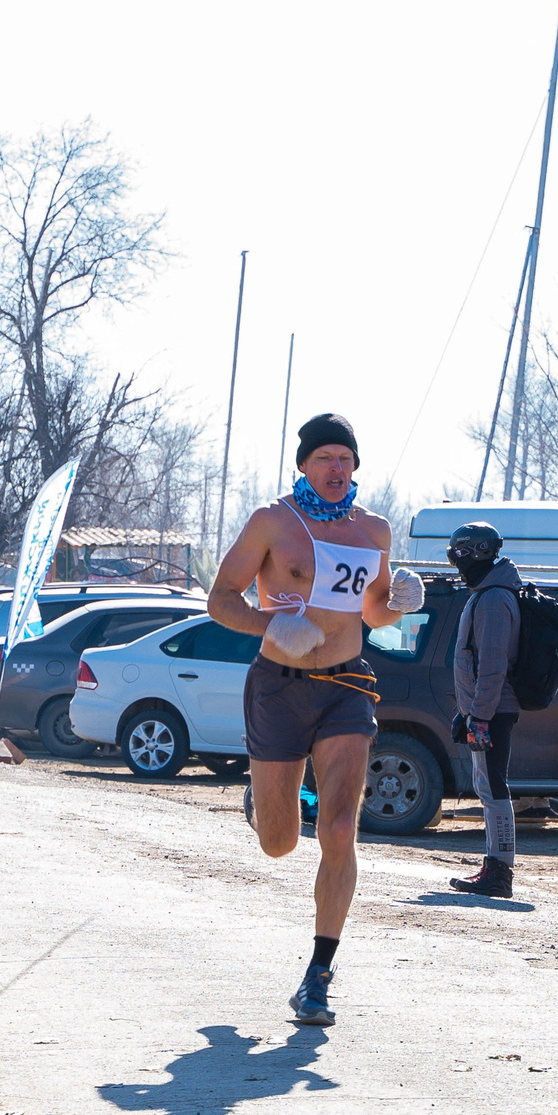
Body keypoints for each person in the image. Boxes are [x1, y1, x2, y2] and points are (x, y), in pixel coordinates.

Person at [208, 413, 424, 1026]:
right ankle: (265, 800)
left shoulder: (373, 530)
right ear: (304, 465)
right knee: (279, 843)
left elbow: (374, 612)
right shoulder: (272, 522)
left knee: (339, 828)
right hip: (278, 686)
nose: (337, 468)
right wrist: (272, 624)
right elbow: (220, 599)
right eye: (325, 457)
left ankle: (318, 977)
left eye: (345, 459)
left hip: (346, 687)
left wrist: (400, 604)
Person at [444, 521, 521, 899]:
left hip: (493, 711)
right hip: (485, 709)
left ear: (479, 553)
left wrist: (481, 717)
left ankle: (499, 871)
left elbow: (492, 666)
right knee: (488, 784)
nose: (457, 563)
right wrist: (469, 712)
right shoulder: (487, 593)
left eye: (460, 554)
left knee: (493, 787)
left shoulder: (493, 599)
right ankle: (494, 866)